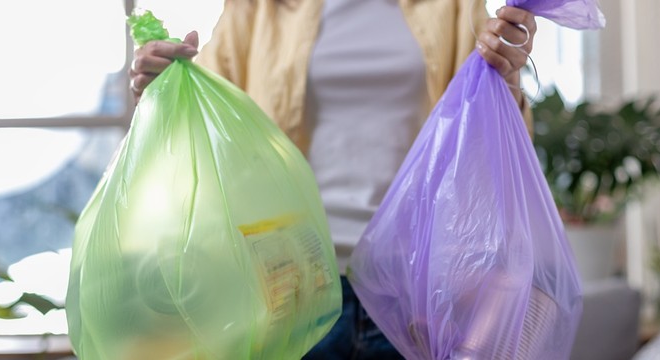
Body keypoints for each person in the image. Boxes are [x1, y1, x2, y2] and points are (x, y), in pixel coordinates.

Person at [129, 0, 537, 358]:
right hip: (290, 291)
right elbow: (204, 126)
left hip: (412, 295)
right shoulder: (257, 8)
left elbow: (499, 142)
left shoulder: (452, 6)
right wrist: (164, 88)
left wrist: (509, 73)